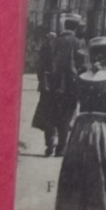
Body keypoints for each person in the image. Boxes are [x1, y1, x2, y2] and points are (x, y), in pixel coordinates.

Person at [55, 36, 106, 210]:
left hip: (79, 132)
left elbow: (68, 109)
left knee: (75, 175)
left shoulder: (79, 80)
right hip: (103, 133)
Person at [32, 15, 83, 156]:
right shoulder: (78, 43)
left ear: (64, 26)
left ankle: (49, 146)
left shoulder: (52, 42)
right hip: (70, 87)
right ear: (76, 28)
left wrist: (43, 82)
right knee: (65, 117)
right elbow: (82, 66)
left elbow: (40, 65)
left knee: (50, 116)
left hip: (51, 87)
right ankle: (61, 148)